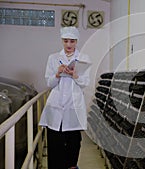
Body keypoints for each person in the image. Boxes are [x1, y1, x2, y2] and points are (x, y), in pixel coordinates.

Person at [39, 26, 91, 169]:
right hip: (55, 106)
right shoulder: (53, 58)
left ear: (77, 41)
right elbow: (49, 83)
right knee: (55, 143)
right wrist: (57, 73)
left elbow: (85, 82)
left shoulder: (83, 59)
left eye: (72, 41)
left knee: (74, 143)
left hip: (73, 107)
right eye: (66, 41)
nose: (69, 45)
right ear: (62, 41)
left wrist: (75, 75)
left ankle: (71, 167)